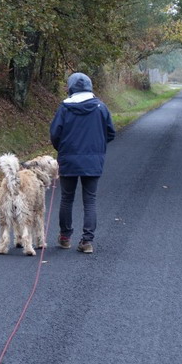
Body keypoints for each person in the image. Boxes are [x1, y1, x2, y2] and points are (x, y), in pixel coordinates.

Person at [49, 73, 116, 254]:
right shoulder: (100, 107)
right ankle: (87, 241)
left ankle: (65, 238)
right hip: (93, 161)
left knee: (66, 198)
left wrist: (62, 149)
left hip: (68, 159)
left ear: (70, 88)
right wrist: (97, 147)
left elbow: (55, 134)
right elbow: (110, 132)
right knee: (90, 200)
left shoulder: (64, 108)